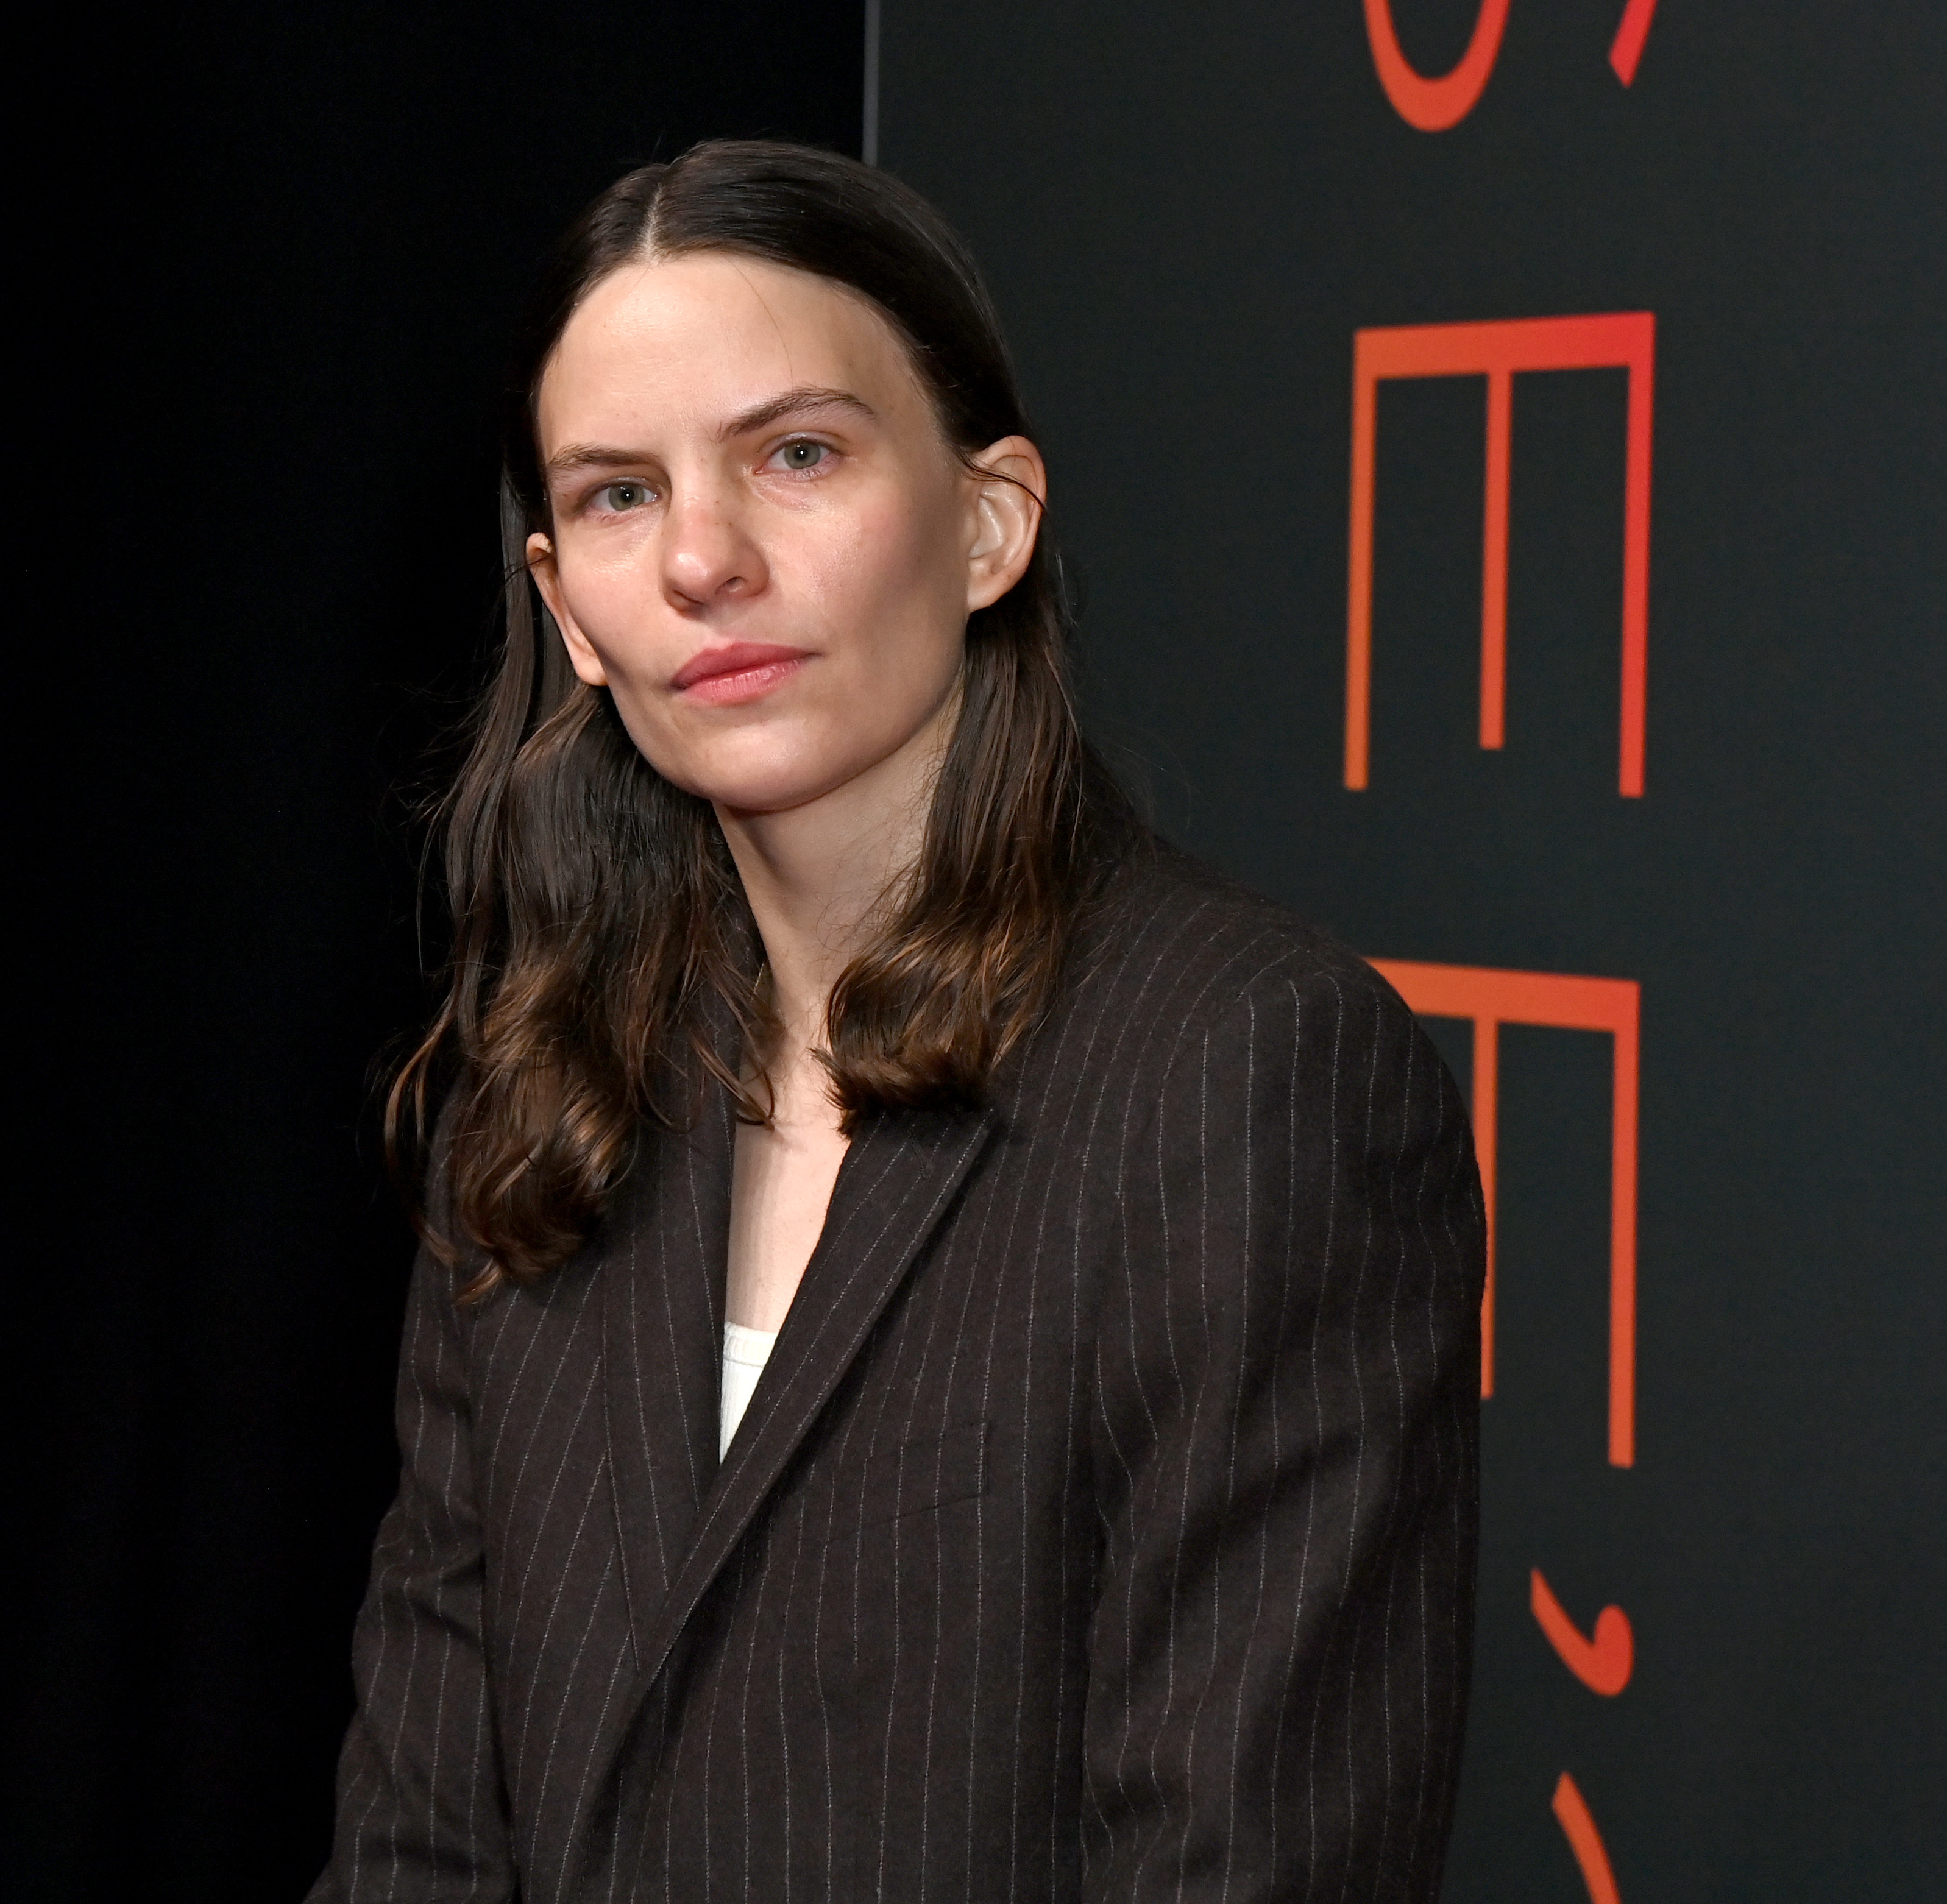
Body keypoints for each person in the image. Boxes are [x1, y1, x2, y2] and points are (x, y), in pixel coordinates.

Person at [311, 140, 1483, 1903]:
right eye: (620, 496)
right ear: (567, 609)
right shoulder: (537, 1088)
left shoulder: (1250, 1071)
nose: (704, 559)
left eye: (796, 455)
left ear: (991, 519)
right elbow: (416, 1840)